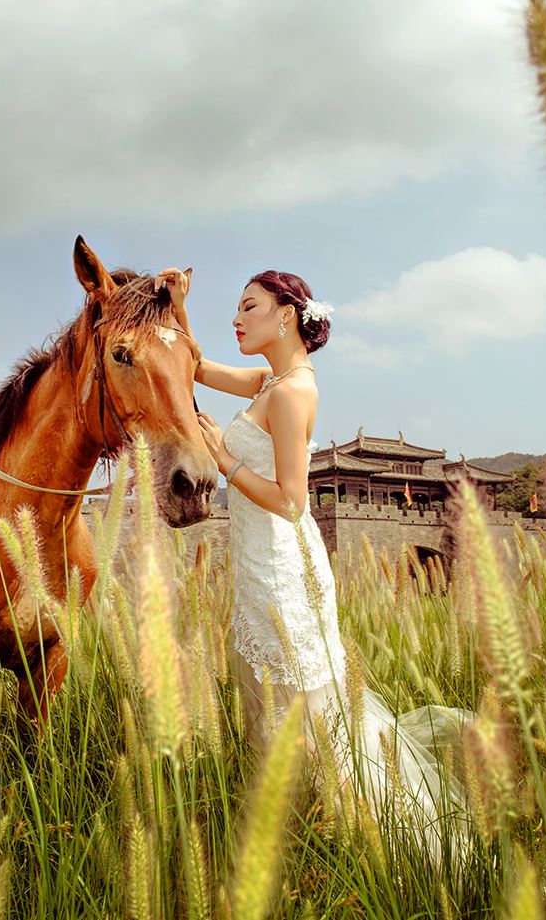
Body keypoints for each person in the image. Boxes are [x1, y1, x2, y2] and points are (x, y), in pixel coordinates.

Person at [154, 265, 476, 865]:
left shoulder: (294, 391)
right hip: (255, 566)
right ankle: (289, 828)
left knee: (303, 713)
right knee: (264, 701)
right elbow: (193, 367)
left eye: (248, 307)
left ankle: (349, 833)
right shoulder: (268, 381)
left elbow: (293, 500)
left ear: (285, 315)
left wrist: (223, 460)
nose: (237, 318)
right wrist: (178, 306)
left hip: (283, 570)